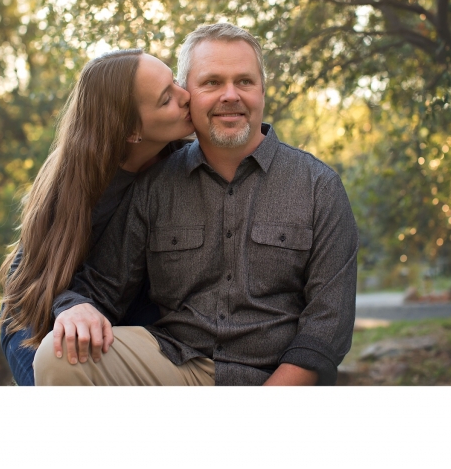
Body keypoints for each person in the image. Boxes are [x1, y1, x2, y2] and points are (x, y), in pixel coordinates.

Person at [34, 23, 359, 386]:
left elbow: (327, 328)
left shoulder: (319, 186)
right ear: (188, 93)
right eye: (212, 82)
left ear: (263, 91)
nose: (230, 95)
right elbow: (101, 286)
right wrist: (75, 306)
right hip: (179, 364)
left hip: (279, 378)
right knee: (57, 355)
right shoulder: (155, 185)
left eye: (245, 82)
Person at [0, 48, 195, 385]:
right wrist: (70, 304)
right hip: (40, 310)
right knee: (54, 369)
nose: (186, 95)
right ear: (131, 130)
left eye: (175, 81)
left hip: (133, 310)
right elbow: (38, 276)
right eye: (166, 99)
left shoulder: (183, 161)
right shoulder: (73, 181)